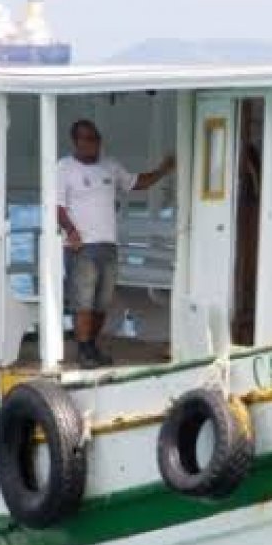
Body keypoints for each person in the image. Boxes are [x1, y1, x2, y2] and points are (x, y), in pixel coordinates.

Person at [57, 119, 175, 369]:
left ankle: (92, 345)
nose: (92, 143)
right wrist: (71, 231)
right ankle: (83, 351)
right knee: (84, 302)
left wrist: (164, 169)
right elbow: (57, 206)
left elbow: (136, 183)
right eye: (86, 139)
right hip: (81, 247)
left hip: (108, 244)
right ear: (76, 141)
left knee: (102, 302)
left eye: (95, 138)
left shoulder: (110, 166)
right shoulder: (64, 168)